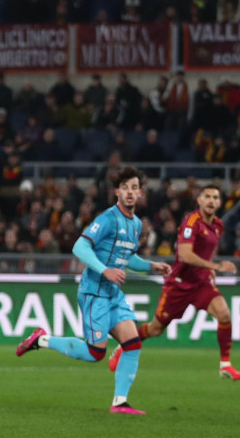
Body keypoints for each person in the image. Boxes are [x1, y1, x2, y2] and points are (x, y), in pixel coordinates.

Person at [16, 166, 172, 415]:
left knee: (132, 344)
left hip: (113, 294)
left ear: (140, 193)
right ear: (117, 192)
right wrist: (105, 270)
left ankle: (119, 403)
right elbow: (79, 247)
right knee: (95, 353)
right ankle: (41, 339)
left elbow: (127, 258)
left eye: (134, 188)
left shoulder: (136, 225)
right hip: (94, 293)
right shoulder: (107, 219)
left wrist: (151, 265)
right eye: (125, 187)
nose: (129, 192)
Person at [107, 184, 240, 380]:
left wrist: (207, 269)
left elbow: (204, 250)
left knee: (224, 313)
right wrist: (215, 266)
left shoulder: (218, 226)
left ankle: (225, 365)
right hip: (179, 284)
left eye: (215, 198)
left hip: (201, 283)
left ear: (219, 202)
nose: (211, 201)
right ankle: (124, 344)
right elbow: (185, 255)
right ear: (199, 200)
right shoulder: (191, 222)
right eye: (207, 197)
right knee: (155, 329)